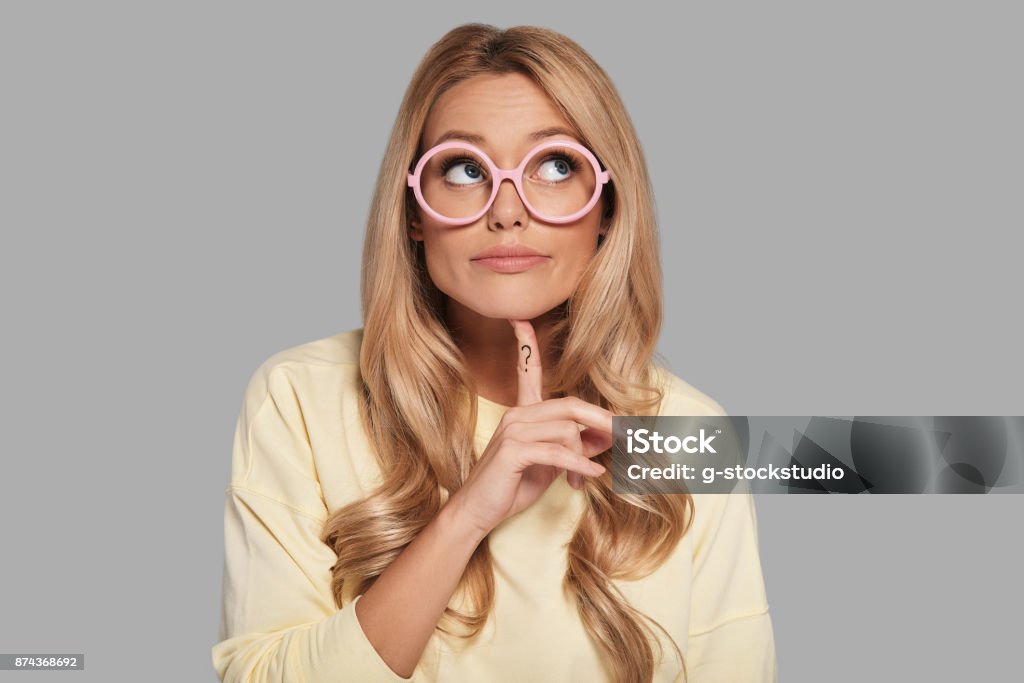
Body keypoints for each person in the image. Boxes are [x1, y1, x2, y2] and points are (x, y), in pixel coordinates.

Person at [212, 23, 777, 683]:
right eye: (463, 169)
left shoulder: (686, 431)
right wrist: (469, 512)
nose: (508, 209)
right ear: (415, 212)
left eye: (556, 165)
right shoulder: (302, 397)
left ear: (606, 209)